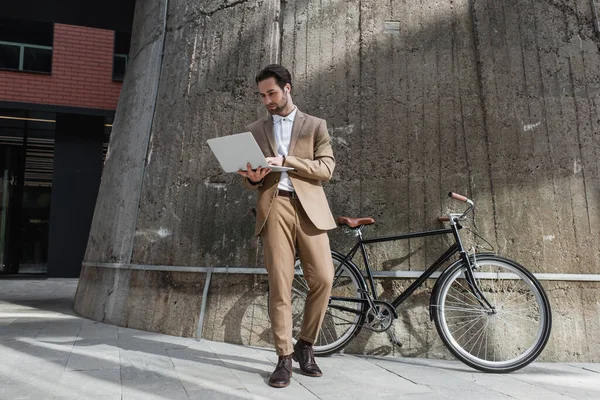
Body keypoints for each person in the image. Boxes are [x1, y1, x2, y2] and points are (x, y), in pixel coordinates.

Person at [237, 64, 336, 388]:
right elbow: (253, 178)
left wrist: (287, 161)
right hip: (274, 204)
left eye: (272, 93)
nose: (267, 100)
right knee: (280, 282)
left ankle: (305, 345)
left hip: (309, 207)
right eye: (262, 95)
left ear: (288, 88)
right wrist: (252, 179)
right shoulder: (255, 129)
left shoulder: (315, 126)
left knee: (323, 277)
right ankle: (283, 357)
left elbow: (326, 168)